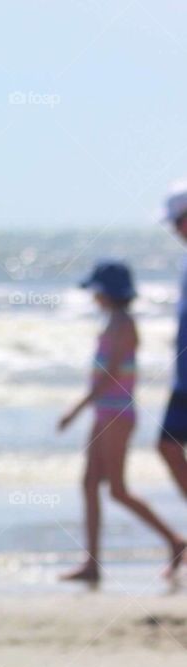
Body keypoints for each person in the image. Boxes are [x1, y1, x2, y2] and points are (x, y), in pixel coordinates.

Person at [57, 260, 185, 584]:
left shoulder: (124, 324)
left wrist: (76, 408)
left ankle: (174, 540)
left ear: (108, 292)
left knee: (117, 489)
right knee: (89, 485)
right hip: (104, 412)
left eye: (97, 291)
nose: (93, 297)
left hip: (117, 413)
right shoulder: (112, 321)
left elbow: (111, 374)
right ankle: (92, 563)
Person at [157, 180, 187, 499]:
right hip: (183, 380)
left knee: (167, 445)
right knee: (167, 445)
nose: (174, 231)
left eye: (175, 224)